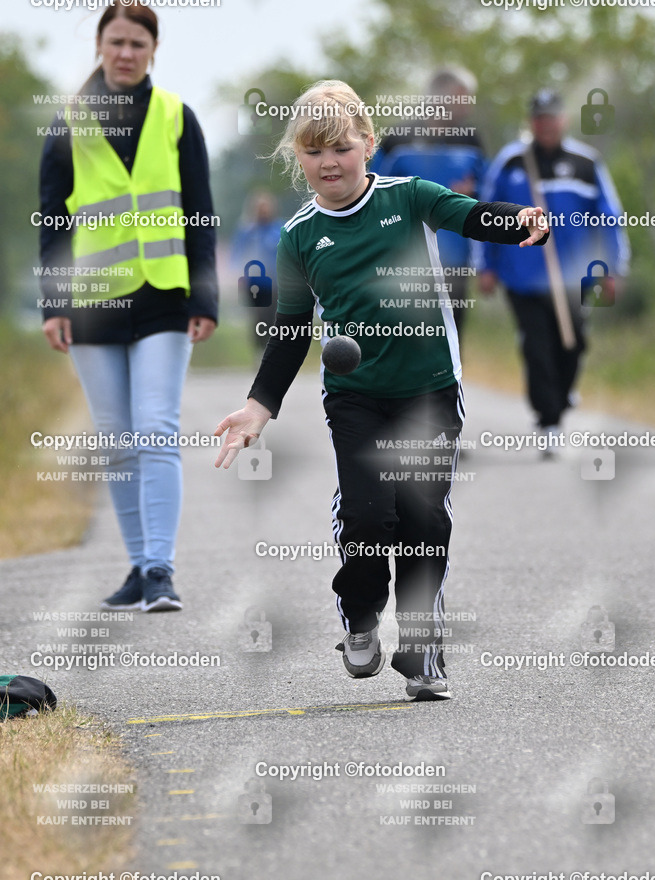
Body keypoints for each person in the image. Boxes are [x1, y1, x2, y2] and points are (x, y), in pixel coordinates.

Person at [213, 80, 549, 701]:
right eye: (314, 152)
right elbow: (291, 331)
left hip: (430, 388)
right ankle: (361, 615)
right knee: (368, 514)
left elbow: (471, 215)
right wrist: (259, 406)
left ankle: (422, 651)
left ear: (368, 144)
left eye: (341, 147)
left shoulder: (409, 197)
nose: (329, 162)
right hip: (356, 396)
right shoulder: (299, 236)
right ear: (297, 158)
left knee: (424, 517)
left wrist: (519, 220)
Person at [39, 0, 218, 612]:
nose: (125, 53)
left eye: (138, 44)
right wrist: (53, 305)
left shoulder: (176, 116)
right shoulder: (68, 122)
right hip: (91, 303)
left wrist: (204, 295)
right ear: (99, 44)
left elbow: (200, 209)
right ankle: (140, 567)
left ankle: (162, 569)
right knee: (117, 443)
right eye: (116, 41)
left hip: (163, 295)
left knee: (156, 427)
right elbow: (52, 221)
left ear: (153, 51)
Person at [477, 89, 630, 449]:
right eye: (539, 118)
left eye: (552, 117)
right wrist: (485, 265)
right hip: (522, 276)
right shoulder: (511, 162)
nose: (546, 124)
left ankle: (561, 397)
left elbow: (610, 217)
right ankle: (549, 420)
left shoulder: (586, 162)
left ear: (564, 120)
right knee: (537, 347)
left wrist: (615, 268)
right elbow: (484, 215)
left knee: (573, 344)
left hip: (575, 277)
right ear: (531, 122)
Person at [370, 69, 487, 336]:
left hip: (454, 259)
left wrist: (473, 192)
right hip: (406, 257)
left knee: (452, 336)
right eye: (462, 98)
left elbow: (488, 190)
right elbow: (373, 192)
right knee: (410, 336)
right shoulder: (397, 140)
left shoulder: (471, 141)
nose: (468, 106)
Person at [229, 190, 284, 350]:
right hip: (255, 284)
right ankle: (260, 350)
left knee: (275, 317)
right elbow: (237, 254)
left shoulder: (280, 229)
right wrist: (237, 275)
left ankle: (274, 349)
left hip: (276, 283)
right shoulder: (247, 231)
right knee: (259, 317)